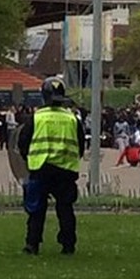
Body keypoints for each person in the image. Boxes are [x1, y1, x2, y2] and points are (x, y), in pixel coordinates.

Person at [18, 76, 84, 255]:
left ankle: (32, 244)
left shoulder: (36, 117)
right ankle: (68, 245)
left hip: (40, 168)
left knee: (36, 208)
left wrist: (29, 159)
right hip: (66, 170)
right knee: (65, 208)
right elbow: (80, 144)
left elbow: (23, 142)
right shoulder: (72, 119)